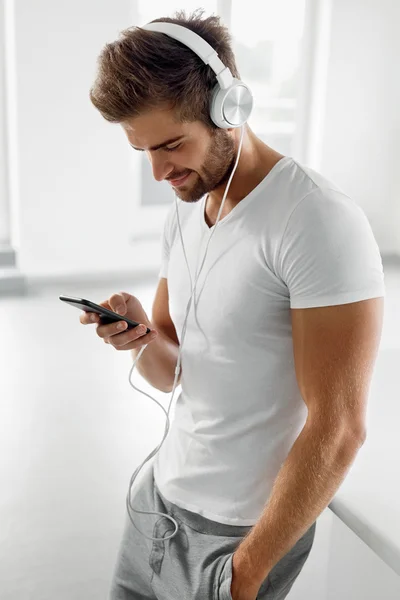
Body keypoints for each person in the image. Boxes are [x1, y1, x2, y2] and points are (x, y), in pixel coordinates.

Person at [82, 9, 385, 600]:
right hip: (157, 504)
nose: (160, 172)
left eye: (172, 145)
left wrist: (244, 576)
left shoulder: (316, 221)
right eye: (143, 150)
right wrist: (140, 337)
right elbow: (172, 373)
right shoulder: (187, 205)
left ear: (229, 110)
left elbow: (341, 427)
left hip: (238, 538)